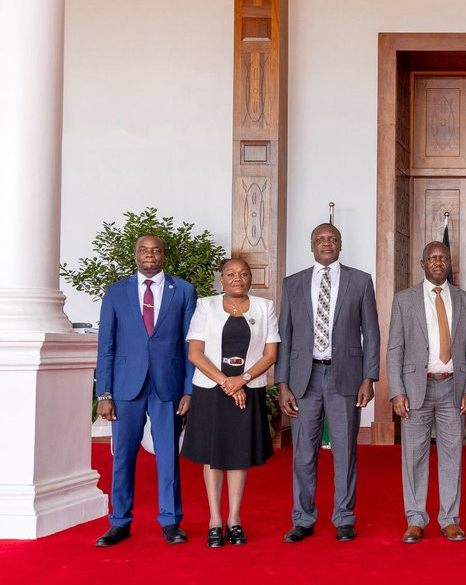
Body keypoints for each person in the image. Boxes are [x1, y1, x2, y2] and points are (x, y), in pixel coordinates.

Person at [276, 223, 380, 544]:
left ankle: (344, 517)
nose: (326, 243)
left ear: (340, 245)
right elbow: (285, 336)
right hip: (303, 380)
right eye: (320, 239)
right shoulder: (293, 284)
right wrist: (282, 383)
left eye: (332, 239)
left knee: (345, 452)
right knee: (303, 453)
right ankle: (303, 518)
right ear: (311, 245)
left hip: (345, 378)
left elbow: (371, 334)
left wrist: (369, 377)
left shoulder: (360, 281)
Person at [93, 233, 197, 547]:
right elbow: (106, 345)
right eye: (143, 250)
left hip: (168, 385)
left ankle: (171, 521)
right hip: (126, 386)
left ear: (164, 255)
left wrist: (189, 389)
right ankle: (119, 522)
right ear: (135, 254)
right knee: (123, 457)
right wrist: (104, 393)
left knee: (168, 456)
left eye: (156, 250)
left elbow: (190, 345)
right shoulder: (116, 292)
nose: (149, 255)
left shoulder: (184, 291)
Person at [386, 241, 466, 543]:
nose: (438, 262)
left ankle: (450, 519)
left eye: (444, 258)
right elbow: (395, 349)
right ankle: (415, 519)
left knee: (452, 456)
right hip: (416, 389)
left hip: (453, 388)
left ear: (450, 263)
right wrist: (397, 391)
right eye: (433, 258)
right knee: (414, 456)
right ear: (423, 263)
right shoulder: (404, 300)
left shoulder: (465, 300)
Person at [180, 257, 279, 548]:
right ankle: (215, 520)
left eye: (244, 274)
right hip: (212, 390)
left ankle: (234, 519)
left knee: (239, 453)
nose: (238, 278)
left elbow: (270, 355)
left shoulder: (264, 307)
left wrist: (242, 379)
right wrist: (227, 382)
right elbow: (195, 354)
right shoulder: (206, 306)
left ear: (251, 279)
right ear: (221, 279)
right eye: (231, 274)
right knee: (213, 455)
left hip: (249, 389)